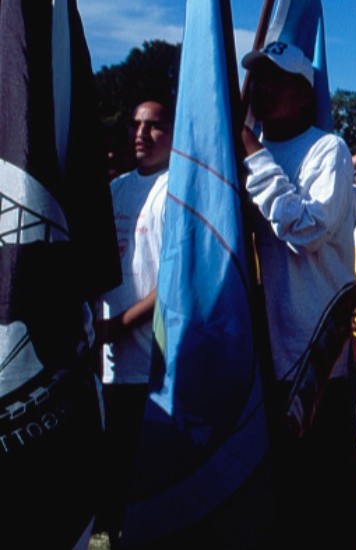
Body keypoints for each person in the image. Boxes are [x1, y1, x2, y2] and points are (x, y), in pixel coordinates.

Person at [239, 41, 356, 547]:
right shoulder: (247, 152)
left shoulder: (326, 149)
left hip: (318, 357)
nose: (262, 88)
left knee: (323, 499)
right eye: (258, 78)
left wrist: (253, 156)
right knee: (283, 497)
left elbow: (307, 229)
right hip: (265, 351)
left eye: (276, 80)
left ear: (304, 94)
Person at [95, 99, 172, 546]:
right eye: (136, 124)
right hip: (109, 362)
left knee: (149, 481)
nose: (141, 134)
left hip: (152, 364)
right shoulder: (117, 189)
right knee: (115, 475)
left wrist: (121, 324)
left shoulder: (176, 190)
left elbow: (173, 284)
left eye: (155, 126)